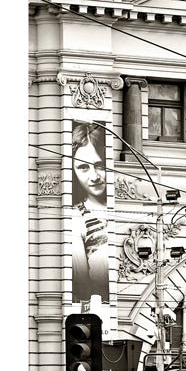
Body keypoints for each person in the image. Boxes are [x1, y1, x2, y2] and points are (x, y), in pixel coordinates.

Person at [71, 123, 109, 302]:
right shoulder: (76, 218)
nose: (94, 176)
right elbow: (82, 282)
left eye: (100, 165)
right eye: (83, 168)